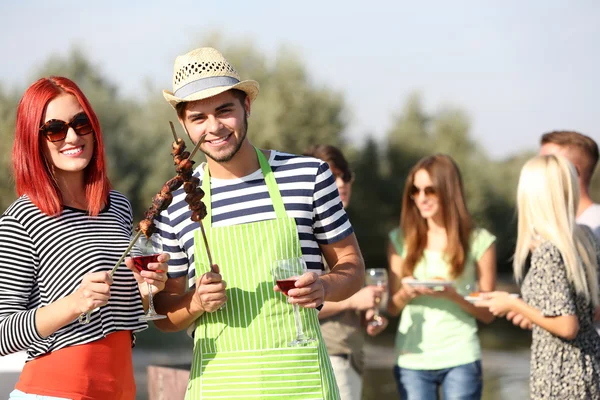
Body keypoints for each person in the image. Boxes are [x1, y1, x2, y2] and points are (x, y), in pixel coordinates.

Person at [152, 47, 365, 399]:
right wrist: (195, 303)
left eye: (224, 110)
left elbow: (353, 267)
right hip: (220, 387)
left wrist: (324, 287)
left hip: (302, 384)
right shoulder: (175, 203)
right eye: (198, 118)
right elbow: (162, 314)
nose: (214, 127)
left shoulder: (308, 176)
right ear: (185, 124)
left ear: (246, 107)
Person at [0, 76, 169, 400]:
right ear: (33, 140)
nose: (73, 136)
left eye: (81, 123)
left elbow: (123, 310)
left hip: (120, 388)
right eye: (55, 129)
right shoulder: (21, 218)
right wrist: (73, 303)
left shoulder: (116, 205)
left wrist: (148, 288)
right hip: (56, 391)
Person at [477, 154, 600, 399]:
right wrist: (530, 312)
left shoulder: (549, 251)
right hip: (590, 367)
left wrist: (514, 304)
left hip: (560, 376)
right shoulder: (584, 237)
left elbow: (567, 326)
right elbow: (584, 310)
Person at [387, 154, 496, 400]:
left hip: (461, 355)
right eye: (415, 191)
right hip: (411, 357)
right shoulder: (399, 239)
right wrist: (407, 292)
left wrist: (452, 295)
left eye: (430, 190)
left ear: (449, 190)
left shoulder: (480, 241)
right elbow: (391, 308)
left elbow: (488, 313)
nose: (421, 198)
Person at [304, 144, 388, 400]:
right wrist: (355, 300)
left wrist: (366, 316)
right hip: (324, 357)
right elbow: (295, 302)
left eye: (345, 176)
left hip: (350, 356)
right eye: (331, 176)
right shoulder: (306, 235)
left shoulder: (342, 232)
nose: (341, 183)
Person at [509, 131, 600, 332]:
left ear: (572, 172)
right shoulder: (561, 234)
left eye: (550, 161)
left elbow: (574, 317)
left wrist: (519, 307)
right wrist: (538, 313)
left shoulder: (594, 227)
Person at [540, 131, 599, 239]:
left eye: (547, 164)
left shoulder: (596, 226)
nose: (538, 171)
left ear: (572, 171)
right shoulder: (547, 225)